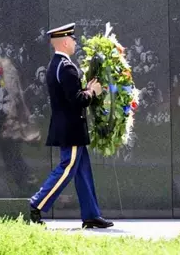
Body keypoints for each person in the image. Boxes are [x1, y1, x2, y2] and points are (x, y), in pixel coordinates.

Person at [29, 23, 114, 229]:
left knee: (82, 171)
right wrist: (92, 91)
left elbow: (69, 97)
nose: (75, 42)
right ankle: (36, 204)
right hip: (71, 129)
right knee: (67, 168)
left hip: (68, 128)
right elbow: (77, 100)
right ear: (66, 42)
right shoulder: (66, 67)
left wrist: (87, 90)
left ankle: (91, 214)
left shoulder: (57, 64)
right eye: (73, 39)